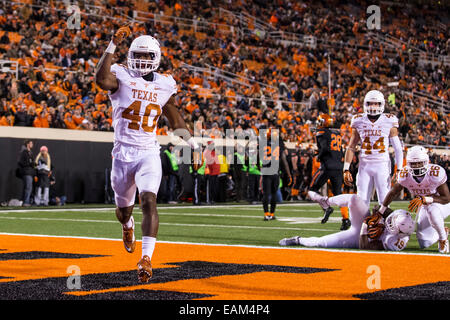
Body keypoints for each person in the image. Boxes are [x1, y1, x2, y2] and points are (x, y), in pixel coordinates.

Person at [95, 26, 201, 283]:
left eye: (147, 56)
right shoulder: (120, 74)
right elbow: (100, 80)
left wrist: (194, 146)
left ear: (156, 58)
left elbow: (174, 117)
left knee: (150, 200)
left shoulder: (165, 83)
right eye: (138, 55)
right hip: (122, 153)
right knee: (123, 211)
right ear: (130, 55)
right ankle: (126, 226)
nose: (142, 61)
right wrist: (111, 45)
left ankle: (146, 258)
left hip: (148, 152)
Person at [280, 191, 414, 251]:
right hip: (366, 224)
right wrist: (377, 214)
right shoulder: (401, 217)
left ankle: (298, 240)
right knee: (354, 199)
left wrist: (366, 225)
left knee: (321, 243)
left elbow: (365, 247)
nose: (388, 223)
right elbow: (381, 209)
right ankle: (326, 202)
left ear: (399, 232)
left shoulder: (394, 242)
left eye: (391, 225)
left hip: (362, 237)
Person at [376, 146, 450, 254]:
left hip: (442, 204)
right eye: (413, 163)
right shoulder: (405, 174)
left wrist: (426, 199)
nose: (416, 166)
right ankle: (444, 230)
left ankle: (443, 239)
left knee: (432, 210)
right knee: (425, 242)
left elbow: (446, 198)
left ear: (426, 161)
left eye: (419, 163)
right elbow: (393, 193)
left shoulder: (435, 173)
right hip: (426, 204)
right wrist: (380, 211)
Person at [343, 90, 404, 208]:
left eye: (376, 103)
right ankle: (361, 226)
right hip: (364, 164)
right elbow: (351, 147)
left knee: (384, 199)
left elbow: (397, 148)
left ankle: (385, 225)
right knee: (361, 200)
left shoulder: (389, 120)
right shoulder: (358, 120)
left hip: (382, 164)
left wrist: (399, 169)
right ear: (365, 104)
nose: (373, 106)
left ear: (382, 104)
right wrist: (346, 168)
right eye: (370, 103)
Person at [307, 113, 350, 230]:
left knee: (311, 190)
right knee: (339, 195)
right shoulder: (337, 134)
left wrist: (318, 156)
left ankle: (326, 206)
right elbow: (339, 151)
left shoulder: (321, 133)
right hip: (338, 167)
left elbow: (325, 148)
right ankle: (345, 219)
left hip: (327, 166)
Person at [261, 127, 292, 221]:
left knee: (266, 194)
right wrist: (289, 174)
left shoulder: (263, 143)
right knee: (274, 193)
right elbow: (284, 160)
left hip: (266, 170)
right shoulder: (278, 144)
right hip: (275, 171)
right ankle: (272, 213)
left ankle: (266, 214)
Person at [17, 139, 35, 206]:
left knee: (28, 188)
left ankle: (24, 201)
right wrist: (29, 163)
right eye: (31, 143)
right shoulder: (24, 152)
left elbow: (31, 162)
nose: (32, 144)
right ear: (27, 144)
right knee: (28, 188)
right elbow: (20, 162)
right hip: (26, 172)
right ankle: (26, 202)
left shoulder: (30, 152)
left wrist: (34, 164)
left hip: (30, 172)